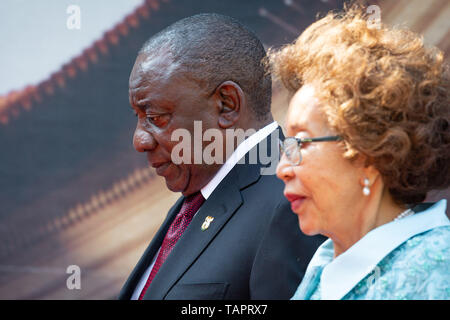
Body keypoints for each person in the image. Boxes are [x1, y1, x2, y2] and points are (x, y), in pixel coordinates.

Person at [118, 13, 324, 300]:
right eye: (139, 117)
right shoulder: (196, 200)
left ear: (227, 104)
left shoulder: (290, 201)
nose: (139, 140)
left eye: (155, 117)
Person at [267, 6, 450, 299]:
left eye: (301, 142)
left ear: (370, 152)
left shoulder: (438, 273)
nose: (282, 168)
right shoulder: (325, 264)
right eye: (286, 146)